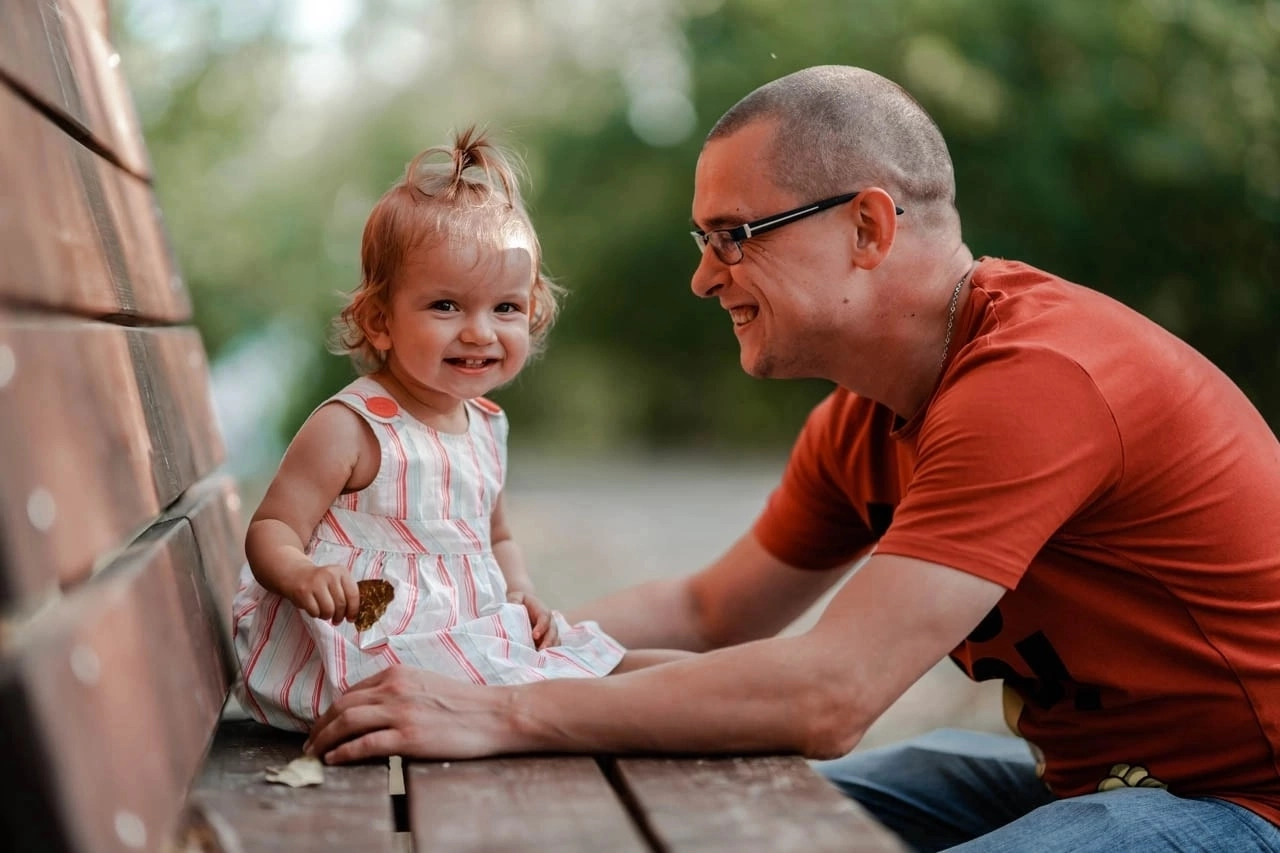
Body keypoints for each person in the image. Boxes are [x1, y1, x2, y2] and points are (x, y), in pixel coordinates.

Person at [301, 67, 1280, 851]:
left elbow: (828, 693)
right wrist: (462, 655)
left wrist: (505, 709)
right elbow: (707, 614)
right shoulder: (865, 418)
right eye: (701, 239)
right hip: (1081, 781)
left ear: (866, 226)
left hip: (1241, 802)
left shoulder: (1038, 378)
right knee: (713, 816)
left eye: (731, 236)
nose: (698, 276)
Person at [231, 127, 683, 732]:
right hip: (365, 645)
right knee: (576, 684)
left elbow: (495, 537)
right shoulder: (353, 428)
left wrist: (520, 591)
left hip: (456, 633)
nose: (478, 331)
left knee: (589, 657)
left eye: (506, 308)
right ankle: (689, 698)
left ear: (533, 312)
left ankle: (715, 689)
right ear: (380, 320)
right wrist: (303, 574)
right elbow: (273, 527)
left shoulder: (486, 427)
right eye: (446, 306)